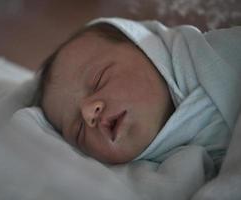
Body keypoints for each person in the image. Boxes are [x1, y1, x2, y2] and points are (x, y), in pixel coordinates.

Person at [32, 17, 241, 165]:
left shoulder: (224, 55)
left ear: (147, 48)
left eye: (99, 79)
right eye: (78, 130)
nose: (88, 113)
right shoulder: (172, 171)